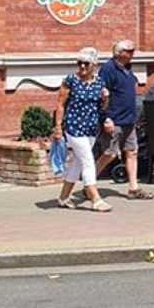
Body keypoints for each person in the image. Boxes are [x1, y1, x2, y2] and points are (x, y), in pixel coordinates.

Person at [53, 48, 112, 211]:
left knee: (77, 164)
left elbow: (102, 107)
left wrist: (106, 99)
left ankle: (64, 197)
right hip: (74, 127)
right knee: (88, 161)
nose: (82, 67)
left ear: (94, 65)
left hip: (91, 128)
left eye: (86, 63)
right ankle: (96, 199)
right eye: (79, 63)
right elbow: (60, 104)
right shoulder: (71, 80)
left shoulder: (100, 82)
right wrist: (58, 127)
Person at [95, 40, 154, 200]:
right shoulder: (108, 69)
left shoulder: (127, 68)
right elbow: (101, 95)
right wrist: (106, 118)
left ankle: (133, 188)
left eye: (133, 51)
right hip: (114, 119)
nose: (132, 54)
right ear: (119, 52)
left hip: (129, 120)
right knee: (110, 153)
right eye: (129, 51)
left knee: (132, 152)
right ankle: (90, 181)